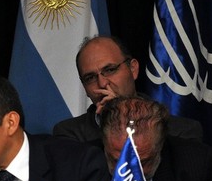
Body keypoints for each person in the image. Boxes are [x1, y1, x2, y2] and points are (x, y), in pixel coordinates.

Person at [52, 35, 203, 142]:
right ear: (84, 87)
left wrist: (124, 115)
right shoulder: (70, 135)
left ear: (133, 69)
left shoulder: (180, 131)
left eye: (110, 70)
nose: (103, 83)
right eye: (90, 78)